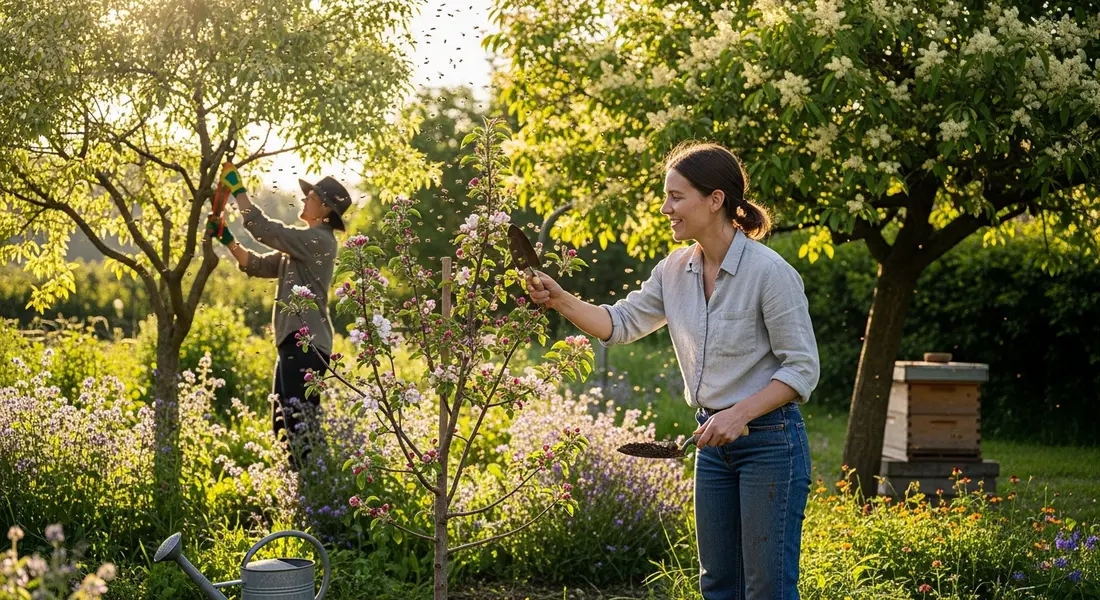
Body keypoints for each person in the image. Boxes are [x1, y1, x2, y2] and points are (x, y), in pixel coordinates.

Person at [525, 141, 819, 599]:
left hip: (770, 443)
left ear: (715, 199)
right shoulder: (673, 270)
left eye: (676, 197)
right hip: (711, 444)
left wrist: (739, 413)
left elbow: (801, 368)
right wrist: (561, 299)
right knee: (718, 585)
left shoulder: (769, 273)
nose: (666, 209)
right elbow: (619, 323)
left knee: (767, 589)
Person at [205, 162, 351, 469]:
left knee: (298, 422)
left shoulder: (319, 240)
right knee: (284, 421)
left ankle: (316, 482)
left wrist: (238, 191)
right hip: (294, 341)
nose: (304, 199)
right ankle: (304, 483)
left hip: (305, 342)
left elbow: (265, 230)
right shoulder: (301, 247)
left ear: (325, 209)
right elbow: (257, 265)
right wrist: (226, 238)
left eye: (311, 197)